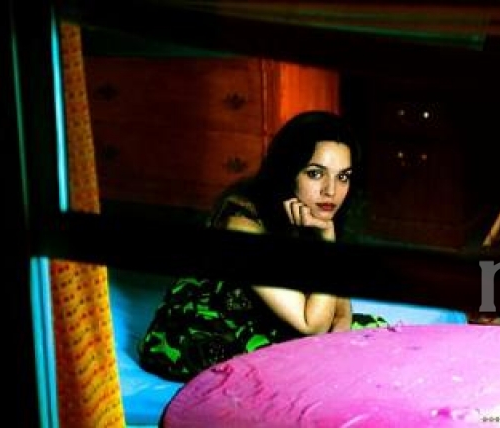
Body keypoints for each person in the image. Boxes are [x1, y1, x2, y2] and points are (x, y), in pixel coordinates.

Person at [137, 110, 387, 382]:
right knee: (293, 363)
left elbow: (339, 308)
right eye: (315, 174)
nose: (331, 191)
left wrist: (338, 340)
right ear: (288, 172)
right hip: (208, 329)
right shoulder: (242, 225)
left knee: (373, 335)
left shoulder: (316, 216)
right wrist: (326, 242)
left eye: (343, 177)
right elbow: (311, 326)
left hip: (279, 318)